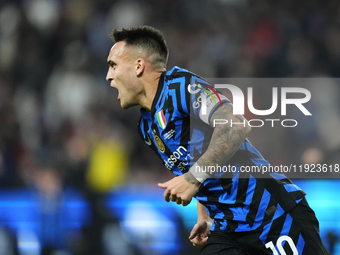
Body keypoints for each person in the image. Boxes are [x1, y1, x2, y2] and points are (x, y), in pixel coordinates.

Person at [105, 26, 330, 255]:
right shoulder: (147, 127)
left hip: (272, 215)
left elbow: (235, 125)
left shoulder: (181, 88)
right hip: (229, 229)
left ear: (139, 66)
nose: (109, 76)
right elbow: (196, 160)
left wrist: (191, 179)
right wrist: (204, 216)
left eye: (113, 65)